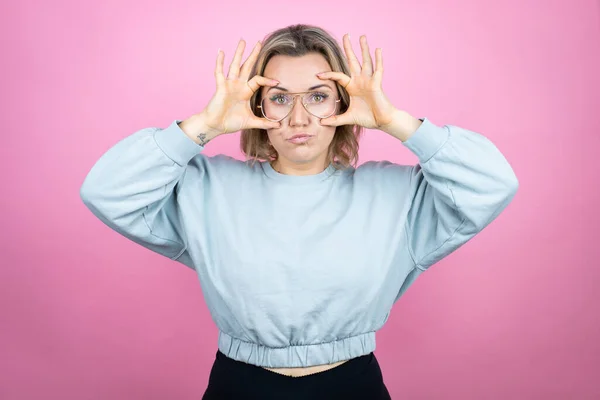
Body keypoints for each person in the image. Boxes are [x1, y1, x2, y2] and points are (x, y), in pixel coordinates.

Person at [79, 24, 519, 399]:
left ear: (343, 103)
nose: (299, 118)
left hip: (353, 385)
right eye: (280, 98)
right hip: (238, 384)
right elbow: (106, 191)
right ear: (257, 106)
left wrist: (392, 120)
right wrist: (206, 124)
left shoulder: (397, 194)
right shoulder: (205, 188)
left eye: (318, 96)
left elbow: (493, 184)